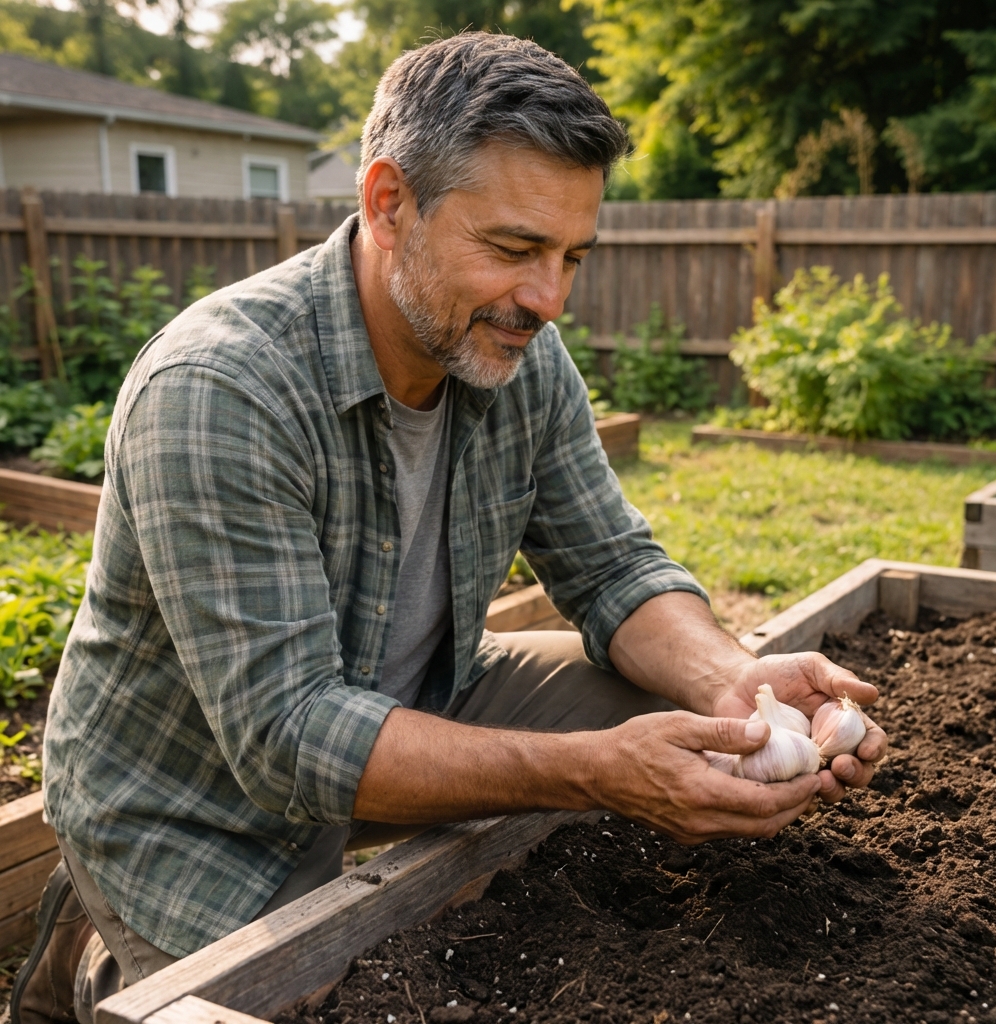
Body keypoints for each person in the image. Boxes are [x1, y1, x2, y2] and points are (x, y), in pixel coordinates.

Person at [11, 32, 886, 1024]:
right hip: (197, 797)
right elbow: (286, 736)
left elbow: (611, 565)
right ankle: (100, 959)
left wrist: (731, 684)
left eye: (570, 256)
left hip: (411, 695)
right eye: (514, 249)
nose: (547, 298)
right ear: (390, 205)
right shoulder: (220, 387)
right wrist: (587, 776)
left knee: (669, 715)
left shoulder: (515, 354)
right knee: (312, 990)